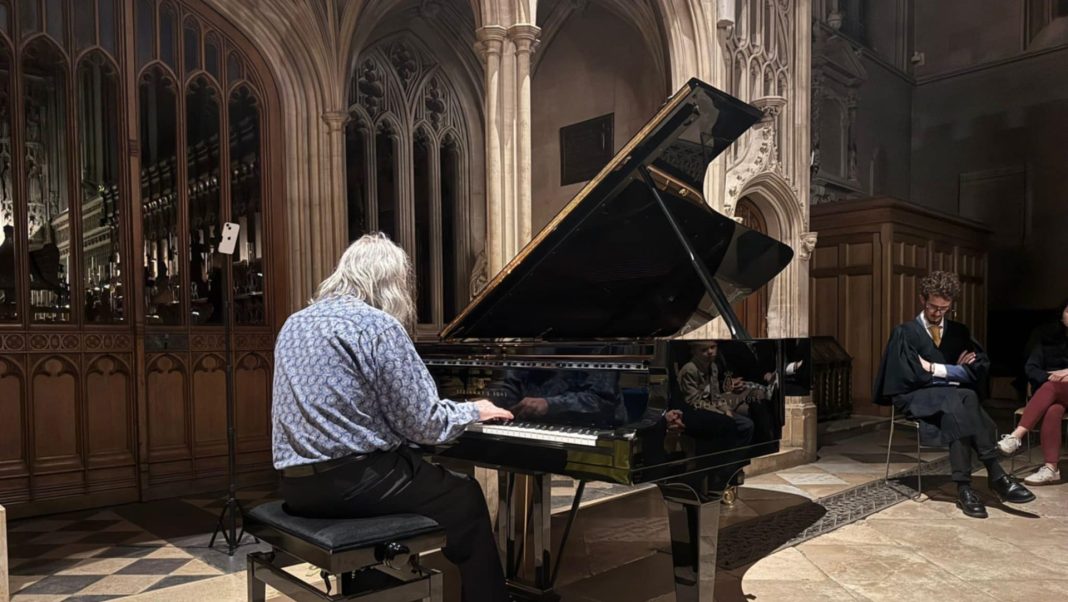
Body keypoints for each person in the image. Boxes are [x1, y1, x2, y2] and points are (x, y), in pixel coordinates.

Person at [271, 233, 513, 602]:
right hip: (353, 485)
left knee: (405, 468)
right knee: (464, 495)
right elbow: (425, 423)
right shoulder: (378, 326)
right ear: (391, 283)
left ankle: (377, 587)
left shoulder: (294, 324)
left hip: (295, 487)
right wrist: (474, 409)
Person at [873, 270, 1035, 518]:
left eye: (944, 308)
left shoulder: (959, 332)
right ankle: (996, 473)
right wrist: (955, 372)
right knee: (962, 397)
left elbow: (977, 369)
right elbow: (910, 376)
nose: (938, 313)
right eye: (933, 307)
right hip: (916, 397)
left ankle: (964, 487)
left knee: (961, 401)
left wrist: (935, 369)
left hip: (951, 399)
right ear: (922, 299)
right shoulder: (904, 333)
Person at [996, 297, 1068, 484]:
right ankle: (1051, 468)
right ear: (1061, 315)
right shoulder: (1045, 337)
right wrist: (1052, 378)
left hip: (1053, 389)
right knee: (1053, 410)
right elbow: (1031, 369)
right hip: (1053, 394)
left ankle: (1016, 436)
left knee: (1052, 387)